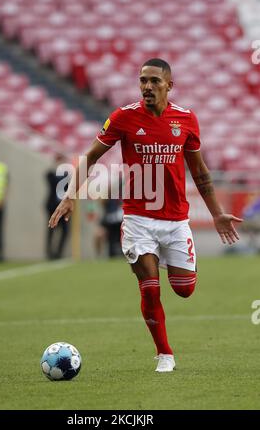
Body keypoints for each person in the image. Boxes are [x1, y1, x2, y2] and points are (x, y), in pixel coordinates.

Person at [48, 58, 242, 373]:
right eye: (143, 81)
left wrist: (217, 214)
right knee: (150, 287)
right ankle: (164, 353)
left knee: (184, 289)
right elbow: (91, 158)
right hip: (138, 219)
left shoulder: (186, 119)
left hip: (176, 221)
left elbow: (200, 173)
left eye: (154, 81)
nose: (147, 87)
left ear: (169, 85)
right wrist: (71, 196)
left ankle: (165, 259)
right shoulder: (123, 118)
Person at [44, 153, 70, 260]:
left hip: (63, 207)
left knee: (65, 231)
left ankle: (59, 253)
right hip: (52, 206)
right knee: (51, 229)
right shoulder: (51, 174)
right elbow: (50, 180)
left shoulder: (67, 175)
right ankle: (49, 253)